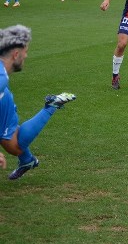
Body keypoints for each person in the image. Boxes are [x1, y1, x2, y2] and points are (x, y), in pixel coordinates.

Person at [0, 25, 76, 180]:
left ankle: (27, 160)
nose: (26, 56)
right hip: (3, 97)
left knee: (13, 145)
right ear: (16, 54)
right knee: (13, 146)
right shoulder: (1, 79)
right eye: (25, 52)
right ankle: (27, 160)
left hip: (4, 98)